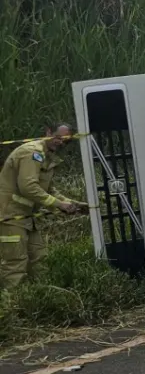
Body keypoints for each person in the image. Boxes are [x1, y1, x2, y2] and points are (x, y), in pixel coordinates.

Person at [0, 122, 85, 289]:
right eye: (58, 137)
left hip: (26, 217)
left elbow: (48, 190)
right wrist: (58, 204)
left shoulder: (47, 156)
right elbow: (28, 187)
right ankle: (12, 300)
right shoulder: (33, 152)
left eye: (65, 141)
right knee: (15, 261)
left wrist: (72, 204)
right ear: (48, 132)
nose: (60, 142)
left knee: (39, 257)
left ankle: (39, 296)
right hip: (9, 215)